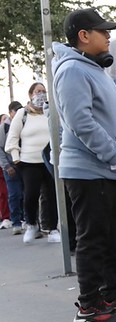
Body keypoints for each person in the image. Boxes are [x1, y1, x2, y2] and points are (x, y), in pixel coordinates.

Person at [53, 8, 116, 322]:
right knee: (94, 238)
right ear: (84, 35)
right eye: (103, 31)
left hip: (106, 170)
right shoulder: (72, 70)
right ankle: (89, 307)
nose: (109, 36)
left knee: (114, 238)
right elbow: (80, 121)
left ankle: (113, 297)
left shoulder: (93, 69)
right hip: (87, 170)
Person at [5, 82, 59, 244]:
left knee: (51, 196)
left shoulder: (50, 112)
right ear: (30, 95)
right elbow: (12, 139)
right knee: (30, 195)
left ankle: (52, 229)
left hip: (49, 161)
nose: (41, 94)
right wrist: (16, 157)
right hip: (29, 161)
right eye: (37, 91)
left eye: (43, 91)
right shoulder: (23, 114)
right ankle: (31, 224)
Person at [0, 101, 24, 234]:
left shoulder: (23, 123)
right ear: (10, 112)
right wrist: (6, 165)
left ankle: (27, 219)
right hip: (10, 166)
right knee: (14, 194)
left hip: (24, 164)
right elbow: (0, 149)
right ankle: (16, 222)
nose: (18, 113)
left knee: (26, 194)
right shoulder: (4, 128)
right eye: (16, 111)